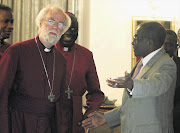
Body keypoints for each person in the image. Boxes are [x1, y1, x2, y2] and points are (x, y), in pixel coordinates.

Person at [82, 22, 177, 133]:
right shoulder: (141, 63)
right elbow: (132, 105)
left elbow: (157, 85)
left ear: (150, 42)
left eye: (136, 39)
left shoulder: (166, 63)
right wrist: (106, 117)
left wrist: (131, 84)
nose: (133, 43)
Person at [0, 4, 71, 133]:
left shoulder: (61, 60)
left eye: (60, 24)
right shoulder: (16, 51)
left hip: (48, 125)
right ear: (40, 23)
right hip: (19, 123)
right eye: (51, 21)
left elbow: (61, 102)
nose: (55, 27)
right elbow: (2, 93)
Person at [55, 12, 104, 133]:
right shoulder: (47, 51)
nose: (69, 32)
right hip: (52, 114)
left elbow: (96, 92)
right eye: (66, 27)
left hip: (75, 118)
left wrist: (90, 112)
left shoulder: (86, 55)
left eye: (73, 28)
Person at [163, 30, 180, 133]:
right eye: (162, 44)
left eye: (169, 45)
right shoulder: (146, 66)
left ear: (176, 46)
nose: (164, 48)